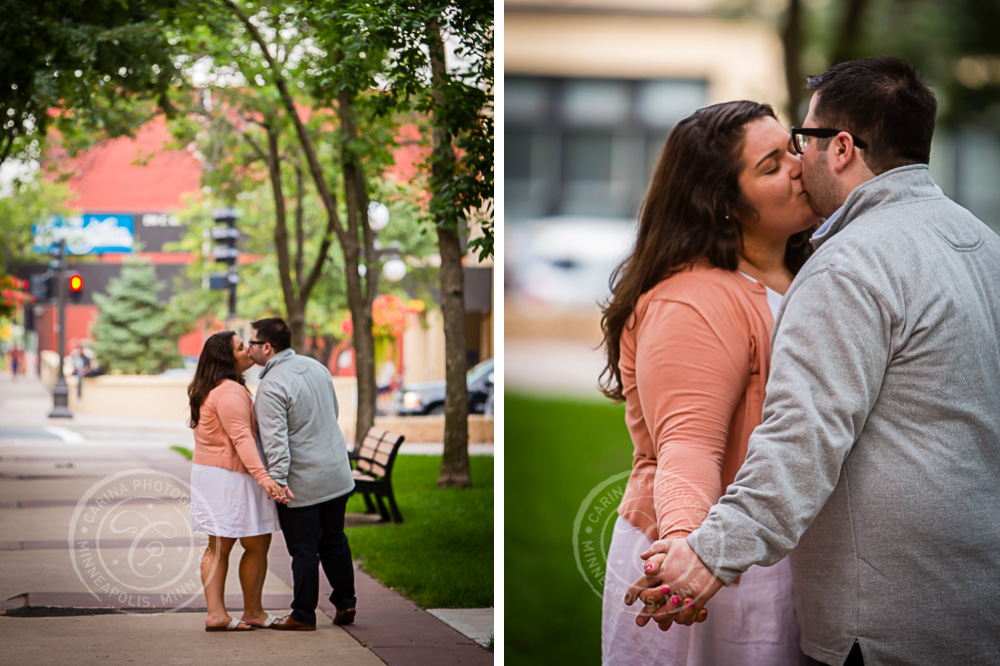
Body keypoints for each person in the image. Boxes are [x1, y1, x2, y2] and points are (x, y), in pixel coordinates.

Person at [627, 56, 1000, 665]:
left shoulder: (848, 266)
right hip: (978, 604)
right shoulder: (985, 245)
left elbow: (802, 439)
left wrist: (707, 556)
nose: (799, 162)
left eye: (802, 141)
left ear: (842, 147)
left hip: (884, 622)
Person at [599, 100, 820, 665]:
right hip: (711, 567)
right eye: (770, 166)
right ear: (725, 206)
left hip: (779, 553)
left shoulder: (810, 270)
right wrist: (684, 549)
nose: (798, 166)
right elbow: (689, 447)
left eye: (792, 147)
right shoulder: (691, 302)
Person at [248, 317, 357, 631]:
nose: (249, 348)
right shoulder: (315, 366)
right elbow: (332, 412)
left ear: (267, 347)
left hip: (301, 483)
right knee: (335, 539)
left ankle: (303, 615)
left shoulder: (270, 385)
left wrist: (278, 481)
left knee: (304, 548)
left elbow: (275, 440)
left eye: (252, 343)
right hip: (337, 473)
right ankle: (346, 601)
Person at [187, 330, 291, 632]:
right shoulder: (230, 391)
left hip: (214, 474)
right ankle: (249, 611)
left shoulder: (212, 388)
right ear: (225, 356)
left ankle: (222, 613)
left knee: (220, 546)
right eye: (240, 347)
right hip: (231, 476)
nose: (248, 350)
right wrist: (265, 478)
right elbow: (242, 438)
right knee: (255, 543)